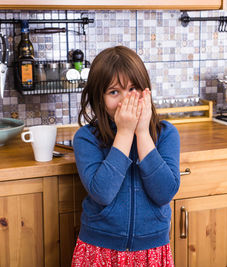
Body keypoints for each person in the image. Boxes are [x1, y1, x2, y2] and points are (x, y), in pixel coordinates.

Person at [72, 45, 180, 266]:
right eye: (114, 92)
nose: (125, 101)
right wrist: (124, 132)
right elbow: (102, 193)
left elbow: (164, 194)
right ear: (99, 98)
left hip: (151, 249)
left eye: (133, 89)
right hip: (99, 249)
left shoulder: (166, 134)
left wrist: (141, 132)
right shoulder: (86, 138)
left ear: (146, 90)